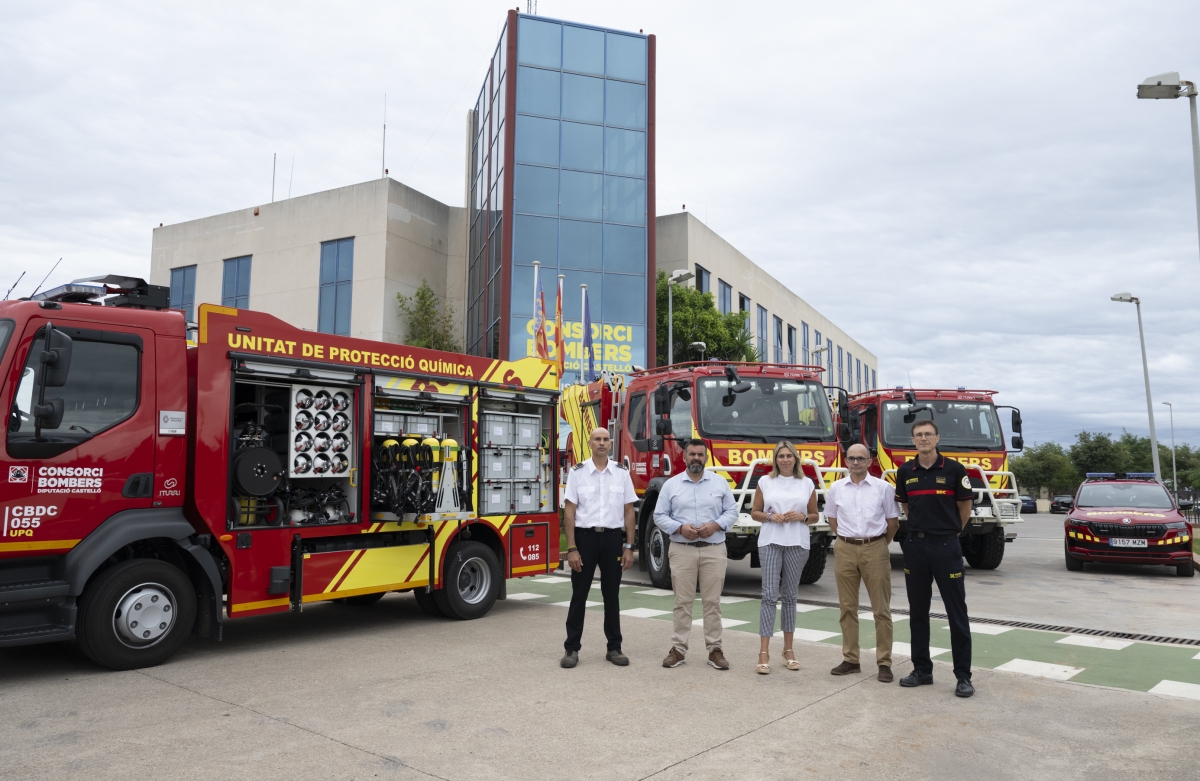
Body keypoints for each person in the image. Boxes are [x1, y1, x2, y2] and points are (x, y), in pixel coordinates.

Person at [894, 419, 976, 698]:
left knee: (957, 614)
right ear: (913, 440)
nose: (924, 439)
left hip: (946, 547)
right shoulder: (905, 471)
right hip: (916, 548)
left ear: (937, 438)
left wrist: (949, 534)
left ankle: (963, 676)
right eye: (919, 435)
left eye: (928, 434)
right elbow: (906, 507)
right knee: (917, 613)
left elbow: (965, 508)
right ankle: (922, 670)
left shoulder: (954, 469)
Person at [653, 438, 738, 670]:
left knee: (713, 603)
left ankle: (715, 650)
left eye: (700, 455)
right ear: (684, 457)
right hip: (682, 550)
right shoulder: (671, 485)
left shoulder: (720, 483)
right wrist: (679, 528)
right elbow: (658, 515)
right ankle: (678, 649)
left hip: (714, 550)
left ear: (706, 457)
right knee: (682, 602)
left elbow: (732, 511)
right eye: (692, 454)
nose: (696, 459)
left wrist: (716, 525)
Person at [560, 427, 637, 669]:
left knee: (611, 595)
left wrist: (629, 547)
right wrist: (572, 548)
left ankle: (614, 647)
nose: (601, 443)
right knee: (579, 595)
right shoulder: (577, 473)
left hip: (613, 539)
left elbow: (628, 511)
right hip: (585, 540)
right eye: (597, 439)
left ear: (610, 444)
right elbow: (569, 511)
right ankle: (571, 648)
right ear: (590, 443)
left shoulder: (621, 473)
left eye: (605, 439)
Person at [824, 443, 900, 682]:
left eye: (860, 458)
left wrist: (877, 545)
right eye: (851, 458)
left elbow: (893, 522)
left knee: (881, 609)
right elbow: (832, 520)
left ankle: (884, 663)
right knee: (847, 607)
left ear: (869, 461)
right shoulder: (836, 488)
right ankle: (851, 659)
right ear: (846, 461)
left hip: (875, 547)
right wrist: (846, 540)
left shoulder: (884, 488)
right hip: (845, 548)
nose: (855, 462)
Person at [748, 441, 818, 674]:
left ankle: (788, 650)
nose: (785, 460)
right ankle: (763, 652)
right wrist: (771, 518)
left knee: (790, 596)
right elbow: (755, 512)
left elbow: (815, 516)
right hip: (770, 543)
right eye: (781, 456)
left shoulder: (807, 483)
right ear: (775, 459)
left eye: (789, 456)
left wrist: (802, 516)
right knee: (769, 596)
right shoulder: (765, 482)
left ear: (796, 459)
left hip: (797, 543)